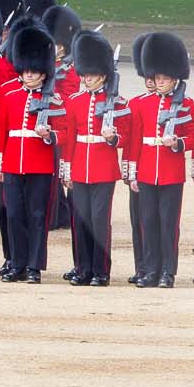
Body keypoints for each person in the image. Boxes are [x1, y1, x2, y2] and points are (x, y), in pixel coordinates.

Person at [122, 32, 194, 289]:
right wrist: (131, 173)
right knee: (148, 224)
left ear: (175, 78)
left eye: (165, 78)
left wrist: (178, 144)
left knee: (168, 225)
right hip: (145, 171)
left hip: (171, 172)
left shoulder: (186, 104)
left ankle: (167, 271)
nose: (160, 82)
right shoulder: (140, 104)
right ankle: (150, 270)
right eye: (157, 77)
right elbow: (133, 142)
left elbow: (193, 136)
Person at [0, 25, 61, 283]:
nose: (30, 75)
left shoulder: (53, 98)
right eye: (27, 70)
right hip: (11, 163)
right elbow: (2, 132)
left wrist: (49, 136)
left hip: (40, 164)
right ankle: (17, 263)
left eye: (35, 71)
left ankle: (34, 266)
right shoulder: (9, 94)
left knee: (37, 215)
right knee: (14, 214)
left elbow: (62, 131)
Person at [59, 33, 127, 286]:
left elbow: (126, 137)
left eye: (92, 75)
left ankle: (101, 270)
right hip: (79, 167)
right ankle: (83, 267)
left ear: (104, 75)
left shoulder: (118, 102)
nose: (87, 79)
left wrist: (113, 138)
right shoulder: (75, 101)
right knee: (81, 221)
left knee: (99, 221)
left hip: (104, 169)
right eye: (85, 75)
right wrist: (67, 169)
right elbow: (69, 138)